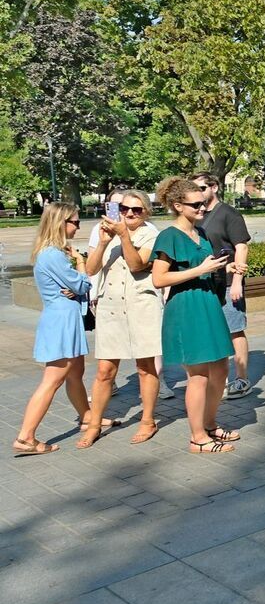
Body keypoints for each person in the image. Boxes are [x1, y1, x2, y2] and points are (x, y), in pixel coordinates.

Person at [150, 177, 238, 454]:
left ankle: (210, 424)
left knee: (222, 367)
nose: (202, 208)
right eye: (196, 204)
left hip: (208, 301)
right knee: (198, 374)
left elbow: (204, 266)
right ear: (178, 205)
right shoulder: (169, 236)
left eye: (203, 203)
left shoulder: (199, 233)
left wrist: (225, 268)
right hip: (186, 307)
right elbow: (159, 279)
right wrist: (199, 270)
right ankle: (197, 437)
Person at [81, 190, 165, 447]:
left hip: (142, 304)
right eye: (125, 208)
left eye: (136, 210)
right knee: (105, 370)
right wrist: (105, 242)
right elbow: (91, 269)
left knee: (145, 367)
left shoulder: (152, 233)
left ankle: (147, 420)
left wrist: (123, 235)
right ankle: (94, 424)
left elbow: (137, 264)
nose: (129, 213)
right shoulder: (104, 230)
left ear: (146, 212)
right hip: (111, 306)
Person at [12, 204, 93, 456]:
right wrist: (80, 262)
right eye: (75, 222)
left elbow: (75, 287)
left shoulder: (51, 253)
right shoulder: (53, 255)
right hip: (61, 322)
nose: (78, 226)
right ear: (61, 222)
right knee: (53, 379)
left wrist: (76, 284)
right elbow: (83, 284)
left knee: (75, 372)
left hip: (64, 319)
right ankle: (26, 436)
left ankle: (88, 418)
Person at [193, 173, 253, 400]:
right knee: (210, 330)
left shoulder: (228, 214)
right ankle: (216, 376)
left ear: (214, 187)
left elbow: (242, 248)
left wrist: (237, 281)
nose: (198, 193)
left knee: (234, 328)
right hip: (206, 281)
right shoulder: (197, 215)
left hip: (228, 283)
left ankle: (242, 378)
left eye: (201, 187)